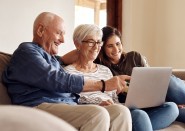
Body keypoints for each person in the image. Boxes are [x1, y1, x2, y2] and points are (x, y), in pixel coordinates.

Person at [2, 12, 133, 131]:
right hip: (38, 106)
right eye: (59, 33)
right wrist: (103, 84)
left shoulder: (52, 59)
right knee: (97, 114)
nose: (63, 40)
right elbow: (55, 79)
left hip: (66, 105)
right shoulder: (26, 51)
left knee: (120, 111)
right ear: (41, 30)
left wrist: (68, 57)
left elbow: (58, 67)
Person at [64, 24, 179, 131]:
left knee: (172, 107)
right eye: (91, 42)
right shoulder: (68, 73)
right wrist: (97, 107)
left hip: (120, 111)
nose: (95, 47)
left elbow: (115, 100)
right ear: (77, 44)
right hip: (97, 113)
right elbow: (71, 105)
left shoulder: (105, 70)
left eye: (98, 42)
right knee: (139, 114)